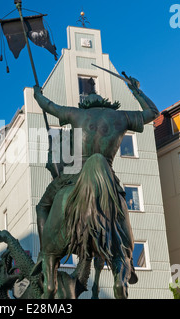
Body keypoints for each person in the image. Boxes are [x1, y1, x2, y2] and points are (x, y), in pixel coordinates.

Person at [33, 76, 159, 288]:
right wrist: (136, 90)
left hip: (72, 177)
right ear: (106, 103)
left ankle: (45, 253)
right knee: (121, 214)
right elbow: (153, 113)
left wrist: (38, 93)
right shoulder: (121, 117)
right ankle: (126, 260)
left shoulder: (77, 113)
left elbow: (48, 106)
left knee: (42, 207)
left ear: (87, 104)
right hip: (107, 180)